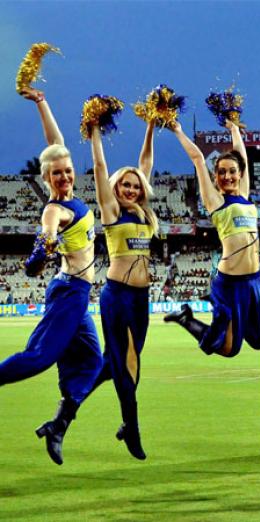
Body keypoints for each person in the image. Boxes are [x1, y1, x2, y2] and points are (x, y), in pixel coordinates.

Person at [0, 87, 103, 465]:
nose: (64, 176)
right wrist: (41, 250)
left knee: (92, 363)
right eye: (56, 173)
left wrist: (42, 102)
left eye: (67, 170)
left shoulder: (71, 193)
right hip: (69, 291)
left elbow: (55, 142)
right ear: (46, 178)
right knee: (40, 357)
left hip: (78, 295)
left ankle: (58, 425)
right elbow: (47, 232)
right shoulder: (55, 210)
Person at [80, 120, 158, 460]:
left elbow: (146, 163)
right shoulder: (111, 211)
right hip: (118, 295)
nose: (130, 189)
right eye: (125, 185)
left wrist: (151, 125)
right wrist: (95, 131)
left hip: (141, 299)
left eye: (135, 186)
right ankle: (132, 428)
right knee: (125, 366)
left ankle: (68, 407)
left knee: (125, 363)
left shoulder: (144, 214)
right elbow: (100, 167)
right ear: (116, 187)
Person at [164, 120, 260, 357]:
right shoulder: (216, 201)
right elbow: (198, 159)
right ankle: (187, 319)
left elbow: (242, 155)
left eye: (232, 171)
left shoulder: (244, 195)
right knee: (229, 349)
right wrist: (178, 130)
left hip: (254, 280)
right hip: (230, 283)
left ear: (240, 173)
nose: (227, 176)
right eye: (221, 172)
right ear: (216, 176)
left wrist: (234, 130)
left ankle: (220, 310)